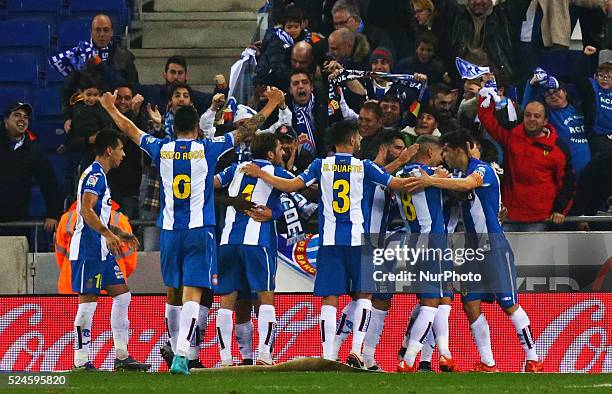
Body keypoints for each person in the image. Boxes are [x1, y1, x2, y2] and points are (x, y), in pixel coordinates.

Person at [99, 86, 285, 374]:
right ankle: (182, 356)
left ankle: (175, 346)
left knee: (172, 291)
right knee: (193, 292)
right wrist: (271, 104)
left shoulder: (160, 147)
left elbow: (131, 129)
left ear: (175, 127)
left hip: (170, 230)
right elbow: (246, 131)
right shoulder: (207, 148)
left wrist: (111, 108)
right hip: (200, 230)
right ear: (198, 127)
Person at [242, 120, 417, 369]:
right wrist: (427, 179)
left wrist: (261, 173)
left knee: (330, 298)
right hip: (358, 240)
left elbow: (292, 186)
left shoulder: (320, 165)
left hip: (330, 240)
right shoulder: (364, 166)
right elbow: (397, 184)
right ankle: (356, 350)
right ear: (353, 140)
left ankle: (328, 355)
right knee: (364, 294)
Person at [404, 128, 544, 373]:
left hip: (493, 246)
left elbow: (469, 184)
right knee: (470, 304)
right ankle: (488, 362)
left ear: (460, 150)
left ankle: (533, 358)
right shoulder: (457, 173)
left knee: (509, 304)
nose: (443, 156)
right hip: (472, 251)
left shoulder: (482, 170)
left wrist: (430, 180)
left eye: (446, 151)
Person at [69, 129, 149, 371]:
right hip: (87, 249)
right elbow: (86, 210)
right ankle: (81, 360)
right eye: (121, 149)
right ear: (109, 150)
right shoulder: (95, 176)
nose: (123, 154)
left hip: (101, 249)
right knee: (88, 303)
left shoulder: (100, 176)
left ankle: (122, 356)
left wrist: (119, 233)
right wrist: (107, 233)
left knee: (123, 296)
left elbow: (97, 214)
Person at [214, 133, 294, 366]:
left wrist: (231, 201)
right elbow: (303, 187)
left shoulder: (237, 169)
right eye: (280, 149)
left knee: (227, 302)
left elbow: (208, 185)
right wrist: (275, 212)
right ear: (270, 153)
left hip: (228, 241)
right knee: (265, 298)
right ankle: (264, 356)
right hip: (257, 243)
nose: (284, 153)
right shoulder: (277, 172)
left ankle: (227, 359)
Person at [394, 135, 457, 373]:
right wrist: (439, 177)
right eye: (440, 155)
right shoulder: (425, 176)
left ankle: (445, 355)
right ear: (430, 152)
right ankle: (409, 359)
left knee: (440, 301)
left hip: (414, 243)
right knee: (430, 304)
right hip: (433, 244)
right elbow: (445, 182)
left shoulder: (401, 176)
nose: (442, 161)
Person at [478, 84, 574, 230]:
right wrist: (485, 97)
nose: (532, 119)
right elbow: (489, 122)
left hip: (540, 217)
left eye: (537, 116)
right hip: (510, 214)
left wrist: (560, 210)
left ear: (546, 120)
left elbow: (567, 182)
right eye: (528, 115)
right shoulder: (512, 137)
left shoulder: (557, 148)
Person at [0, 102, 62, 236]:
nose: (22, 119)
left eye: (25, 117)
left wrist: (53, 214)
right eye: (17, 115)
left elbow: (49, 183)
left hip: (16, 220)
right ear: (6, 121)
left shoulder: (34, 150)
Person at [55, 199, 137, 294]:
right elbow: (130, 262)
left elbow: (60, 256)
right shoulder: (119, 220)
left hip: (72, 287)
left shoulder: (67, 218)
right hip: (110, 289)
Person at [138, 55, 212, 116]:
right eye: (172, 72)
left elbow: (214, 100)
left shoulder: (194, 97)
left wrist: (221, 88)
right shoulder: (152, 92)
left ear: (186, 76)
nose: (176, 77)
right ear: (165, 75)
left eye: (180, 73)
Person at [331, 0, 395, 57]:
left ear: (356, 20)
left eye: (342, 23)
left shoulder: (378, 38)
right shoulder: (332, 42)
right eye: (336, 24)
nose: (338, 28)